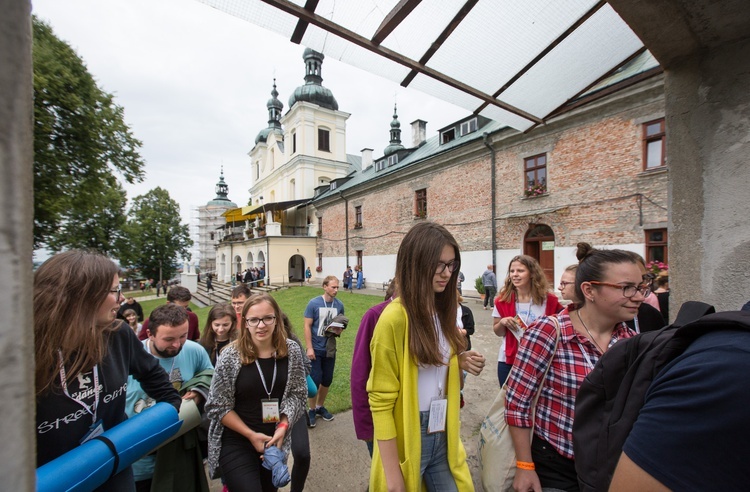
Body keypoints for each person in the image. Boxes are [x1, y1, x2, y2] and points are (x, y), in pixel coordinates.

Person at [35, 250, 181, 491]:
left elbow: (157, 380)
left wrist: (160, 418)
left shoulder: (118, 334)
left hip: (114, 470)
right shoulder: (21, 355)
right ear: (81, 295)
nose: (122, 298)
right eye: (115, 290)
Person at [505, 242, 644, 492]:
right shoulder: (549, 331)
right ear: (589, 290)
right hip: (556, 465)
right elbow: (518, 403)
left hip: (608, 468)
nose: (639, 296)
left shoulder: (631, 341)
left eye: (641, 287)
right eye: (626, 288)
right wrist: (525, 465)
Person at [368, 221, 481, 492]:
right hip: (410, 433)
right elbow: (380, 401)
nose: (447, 273)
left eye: (452, 264)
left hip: (442, 430)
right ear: (415, 263)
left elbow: (434, 369)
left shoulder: (445, 311)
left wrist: (458, 361)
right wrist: (393, 476)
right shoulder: (394, 318)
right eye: (439, 265)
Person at [610, 327, 750, 490]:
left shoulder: (638, 327)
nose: (638, 299)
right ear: (590, 298)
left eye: (642, 298)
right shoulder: (729, 368)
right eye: (627, 297)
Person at [205, 293, 307, 491]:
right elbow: (217, 405)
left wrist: (283, 426)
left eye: (267, 318)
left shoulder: (291, 350)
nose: (261, 325)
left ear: (277, 319)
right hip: (237, 439)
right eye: (254, 320)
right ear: (245, 323)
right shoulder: (230, 355)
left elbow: (298, 394)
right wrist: (251, 435)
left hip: (273, 441)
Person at [125, 303, 214, 491]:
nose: (177, 344)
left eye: (182, 336)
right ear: (149, 334)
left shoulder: (194, 351)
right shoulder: (128, 357)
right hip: (137, 461)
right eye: (169, 339)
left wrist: (198, 393)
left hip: (179, 458)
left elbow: (210, 377)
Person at [492, 255, 563, 386]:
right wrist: (502, 322)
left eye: (520, 271)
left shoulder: (549, 301)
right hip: (509, 360)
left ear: (532, 273)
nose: (515, 275)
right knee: (508, 402)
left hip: (540, 361)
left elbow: (560, 329)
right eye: (512, 271)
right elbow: (498, 332)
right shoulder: (502, 301)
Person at [303, 276, 344, 427]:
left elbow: (340, 326)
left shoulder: (339, 305)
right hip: (315, 348)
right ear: (325, 287)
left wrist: (339, 330)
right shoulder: (313, 303)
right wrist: (309, 348)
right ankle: (311, 409)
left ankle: (320, 407)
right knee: (315, 379)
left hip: (330, 349)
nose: (336, 290)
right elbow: (307, 326)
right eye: (333, 287)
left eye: (337, 287)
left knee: (327, 379)